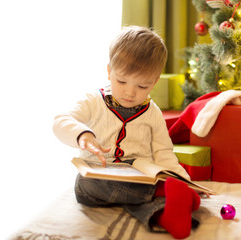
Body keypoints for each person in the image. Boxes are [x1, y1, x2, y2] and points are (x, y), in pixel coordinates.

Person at [52, 26, 201, 239]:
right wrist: (83, 135)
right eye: (121, 81)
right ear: (109, 71)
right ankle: (161, 201)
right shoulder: (93, 100)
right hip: (98, 176)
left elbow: (163, 153)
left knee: (153, 185)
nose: (130, 92)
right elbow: (61, 121)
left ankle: (168, 207)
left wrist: (182, 181)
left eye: (142, 86)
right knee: (84, 185)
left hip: (139, 177)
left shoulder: (153, 113)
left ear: (155, 81)